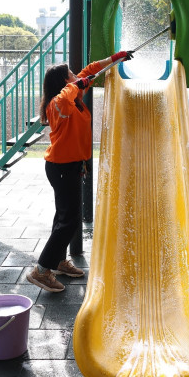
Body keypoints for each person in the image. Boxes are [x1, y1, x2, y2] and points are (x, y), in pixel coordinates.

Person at [26, 49, 134, 293]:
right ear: (64, 81)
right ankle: (41, 270)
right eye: (71, 74)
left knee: (63, 217)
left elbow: (91, 69)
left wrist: (116, 58)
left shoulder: (73, 95)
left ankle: (59, 261)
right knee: (70, 220)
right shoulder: (58, 104)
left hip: (69, 166)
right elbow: (67, 95)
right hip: (61, 167)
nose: (77, 75)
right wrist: (78, 84)